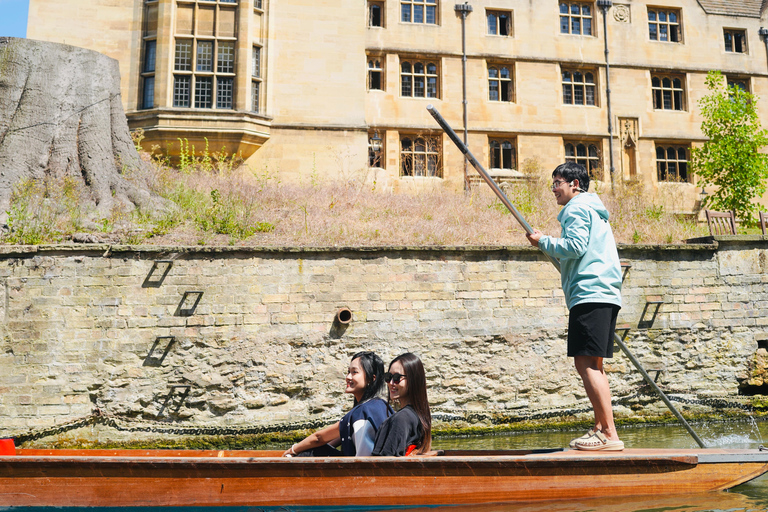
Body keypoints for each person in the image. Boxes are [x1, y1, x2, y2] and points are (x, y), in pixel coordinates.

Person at [525, 162, 624, 451]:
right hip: (604, 292)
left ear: (575, 185)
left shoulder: (577, 208)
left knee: (585, 363)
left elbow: (575, 246)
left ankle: (608, 433)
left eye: (558, 182)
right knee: (593, 363)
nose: (554, 188)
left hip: (590, 292)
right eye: (553, 183)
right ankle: (600, 427)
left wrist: (543, 241)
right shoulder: (594, 209)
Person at [282, 351, 392, 457]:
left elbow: (318, 438)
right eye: (348, 372)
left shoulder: (363, 411)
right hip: (376, 468)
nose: (348, 377)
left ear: (371, 379)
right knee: (313, 449)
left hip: (362, 471)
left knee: (309, 453)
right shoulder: (382, 405)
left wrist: (292, 450)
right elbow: (338, 435)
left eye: (354, 372)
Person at [372, 352, 432, 456]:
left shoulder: (402, 418)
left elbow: (385, 462)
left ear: (413, 380)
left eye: (396, 378)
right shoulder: (417, 415)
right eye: (388, 377)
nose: (391, 383)